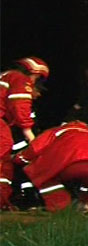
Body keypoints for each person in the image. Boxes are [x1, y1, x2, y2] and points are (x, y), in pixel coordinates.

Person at [13, 121, 88, 225]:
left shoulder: (57, 132)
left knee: (46, 179)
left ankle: (63, 213)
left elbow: (34, 149)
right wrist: (85, 200)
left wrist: (18, 159)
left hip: (71, 162)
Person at [0, 56, 50, 210]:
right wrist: (30, 135)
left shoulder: (6, 76)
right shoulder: (20, 79)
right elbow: (19, 107)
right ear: (34, 72)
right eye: (37, 78)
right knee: (3, 157)